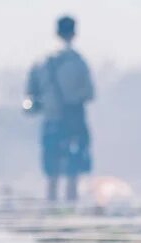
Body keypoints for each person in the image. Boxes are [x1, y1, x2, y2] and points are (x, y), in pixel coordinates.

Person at [24, 16, 94, 203]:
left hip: (51, 119)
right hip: (74, 120)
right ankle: (71, 204)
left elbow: (29, 98)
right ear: (74, 33)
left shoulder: (41, 62)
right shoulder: (78, 61)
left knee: (51, 168)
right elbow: (89, 93)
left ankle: (51, 203)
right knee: (74, 167)